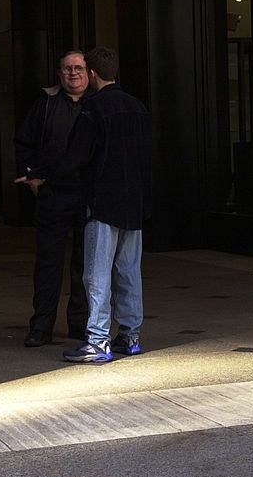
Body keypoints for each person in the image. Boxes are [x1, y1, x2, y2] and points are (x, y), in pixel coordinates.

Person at [62, 47, 152, 364]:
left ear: (94, 74)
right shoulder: (137, 106)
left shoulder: (94, 108)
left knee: (96, 274)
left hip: (102, 201)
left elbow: (77, 156)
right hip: (135, 201)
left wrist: (43, 174)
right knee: (129, 271)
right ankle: (130, 335)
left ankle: (98, 340)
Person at [13, 50, 93, 347]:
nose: (73, 74)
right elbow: (24, 142)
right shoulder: (45, 104)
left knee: (85, 266)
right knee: (48, 264)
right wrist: (32, 175)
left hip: (87, 195)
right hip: (52, 195)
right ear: (59, 74)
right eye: (67, 69)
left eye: (79, 68)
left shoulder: (97, 104)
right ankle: (41, 327)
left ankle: (80, 324)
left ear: (89, 72)